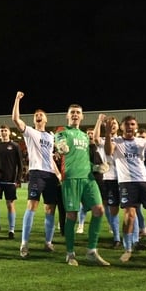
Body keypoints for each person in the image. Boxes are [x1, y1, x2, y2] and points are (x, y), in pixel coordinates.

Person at [53, 105, 110, 266]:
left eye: (78, 113)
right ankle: (70, 254)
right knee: (72, 215)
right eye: (73, 113)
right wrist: (61, 147)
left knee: (99, 210)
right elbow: (60, 142)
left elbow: (85, 160)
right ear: (67, 116)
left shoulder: (85, 137)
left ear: (82, 116)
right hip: (71, 178)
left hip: (88, 178)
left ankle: (92, 251)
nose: (75, 115)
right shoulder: (62, 130)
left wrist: (97, 168)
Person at [104, 115, 146, 262]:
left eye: (132, 124)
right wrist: (106, 133)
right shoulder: (116, 141)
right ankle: (128, 249)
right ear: (122, 127)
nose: (130, 127)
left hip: (144, 181)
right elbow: (108, 152)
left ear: (136, 126)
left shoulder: (142, 141)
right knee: (129, 216)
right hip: (127, 183)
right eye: (127, 124)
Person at [11, 91, 60, 257]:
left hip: (50, 175)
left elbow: (51, 157)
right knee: (32, 205)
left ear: (46, 119)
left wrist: (58, 173)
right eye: (36, 115)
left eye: (41, 115)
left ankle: (48, 242)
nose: (39, 116)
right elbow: (15, 120)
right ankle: (24, 244)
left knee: (50, 208)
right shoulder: (31, 132)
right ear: (34, 120)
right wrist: (17, 99)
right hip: (36, 173)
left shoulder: (51, 137)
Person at [92, 115, 123, 248]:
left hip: (125, 179)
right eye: (109, 123)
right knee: (111, 209)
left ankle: (134, 238)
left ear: (118, 126)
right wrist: (99, 121)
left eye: (114, 123)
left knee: (133, 209)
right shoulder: (103, 140)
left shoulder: (123, 140)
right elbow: (95, 138)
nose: (112, 125)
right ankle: (117, 238)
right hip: (109, 179)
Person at [0, 124, 24, 239]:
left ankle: (11, 230)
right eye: (1, 131)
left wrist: (18, 179)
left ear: (9, 132)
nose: (3, 132)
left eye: (5, 130)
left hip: (10, 181)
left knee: (10, 204)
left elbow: (20, 164)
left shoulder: (15, 146)